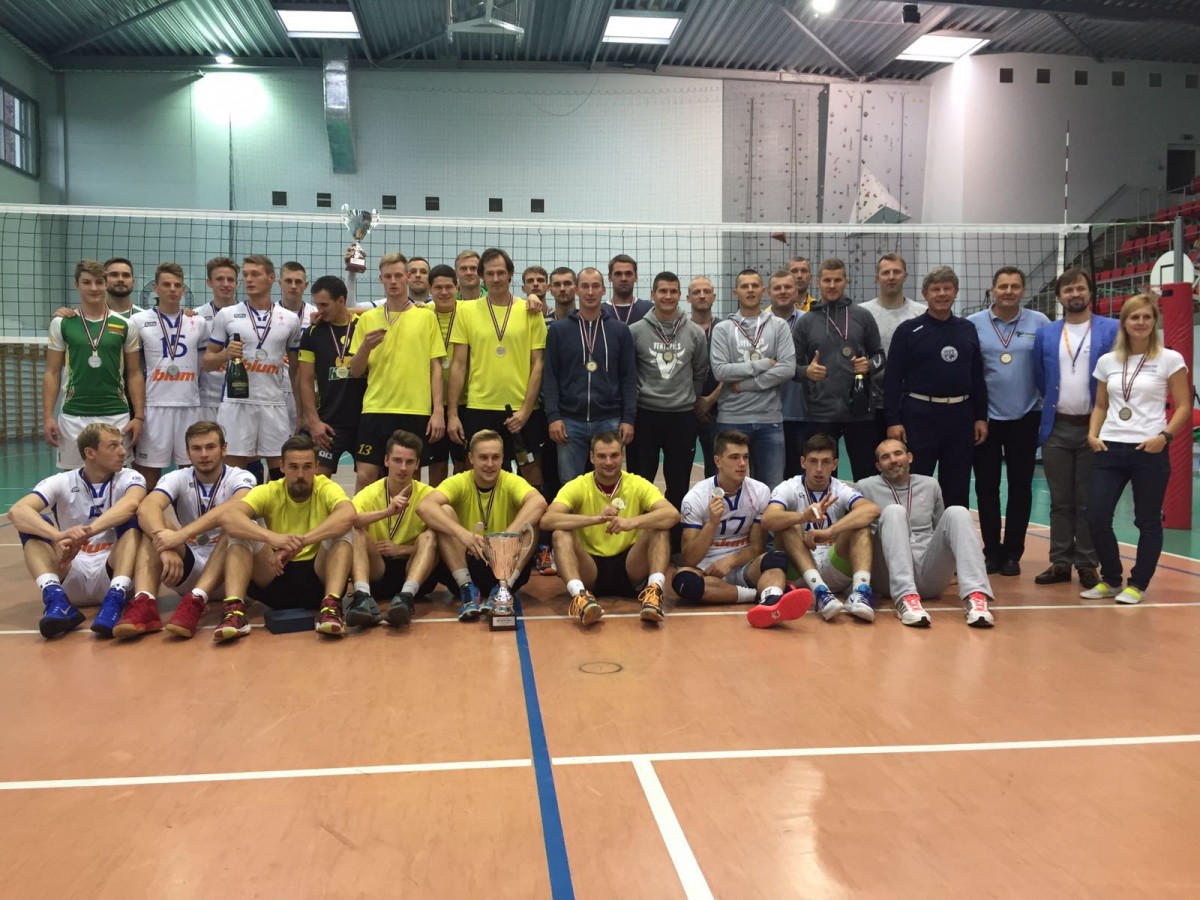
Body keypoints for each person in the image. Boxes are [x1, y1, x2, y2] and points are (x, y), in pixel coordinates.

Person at [1084, 294, 1191, 604]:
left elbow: (1184, 406)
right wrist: (1092, 434)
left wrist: (1165, 437)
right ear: (1124, 322)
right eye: (1134, 317)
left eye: (1146, 317)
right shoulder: (1108, 361)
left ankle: (1138, 584)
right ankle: (1111, 579)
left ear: (1154, 321)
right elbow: (1100, 405)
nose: (1140, 322)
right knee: (1096, 517)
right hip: (1109, 447)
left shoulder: (1170, 359)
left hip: (1149, 449)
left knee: (1147, 520)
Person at [114, 421, 257, 639]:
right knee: (155, 526)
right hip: (188, 568)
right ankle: (144, 602)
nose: (204, 454)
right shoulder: (178, 477)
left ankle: (198, 600)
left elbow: (234, 507)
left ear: (224, 449)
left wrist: (181, 535)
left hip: (231, 571)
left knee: (235, 525)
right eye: (196, 448)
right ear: (188, 453)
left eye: (210, 447)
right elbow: (147, 507)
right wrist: (163, 545)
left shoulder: (240, 477)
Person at [8, 423, 146, 638]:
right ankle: (55, 598)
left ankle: (115, 598)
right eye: (113, 446)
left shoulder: (130, 477)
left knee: (134, 518)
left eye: (121, 445)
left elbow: (131, 504)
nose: (122, 452)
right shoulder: (61, 481)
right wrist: (57, 536)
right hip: (70, 567)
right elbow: (17, 511)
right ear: (90, 453)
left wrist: (85, 533)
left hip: (112, 568)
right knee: (34, 524)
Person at [216, 433, 356, 641]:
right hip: (275, 573)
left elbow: (348, 514)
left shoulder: (325, 487)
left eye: (307, 467)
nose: (300, 474)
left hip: (316, 579)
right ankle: (234, 612)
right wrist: (272, 538)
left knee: (343, 529)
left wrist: (300, 542)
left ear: (317, 467)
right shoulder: (270, 490)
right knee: (240, 532)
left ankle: (331, 608)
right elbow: (229, 518)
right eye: (293, 467)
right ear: (281, 466)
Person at [1031, 268, 1119, 588]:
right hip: (1057, 427)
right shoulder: (1046, 334)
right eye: (1068, 290)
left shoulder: (1112, 329)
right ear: (1059, 297)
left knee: (1087, 501)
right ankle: (1059, 562)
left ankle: (1086, 563)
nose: (1075, 294)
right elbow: (1039, 377)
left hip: (1095, 428)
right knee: (1060, 500)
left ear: (1090, 292)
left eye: (1080, 288)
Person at [673, 430, 811, 628]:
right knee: (684, 581)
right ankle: (762, 596)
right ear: (718, 461)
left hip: (744, 567)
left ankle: (770, 602)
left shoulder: (759, 491)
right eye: (734, 457)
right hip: (707, 572)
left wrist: (730, 561)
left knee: (776, 558)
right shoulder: (695, 497)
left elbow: (757, 547)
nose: (742, 463)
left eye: (745, 457)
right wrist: (712, 524)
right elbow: (689, 558)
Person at [854, 439, 996, 628]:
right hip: (887, 576)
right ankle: (905, 599)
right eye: (885, 457)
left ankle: (976, 597)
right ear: (878, 466)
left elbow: (942, 531)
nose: (893, 460)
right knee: (894, 511)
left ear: (909, 457)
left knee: (958, 512)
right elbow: (857, 535)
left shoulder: (930, 485)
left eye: (898, 453)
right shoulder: (865, 487)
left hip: (929, 574)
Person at [542, 431, 678, 626]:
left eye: (614, 455)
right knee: (560, 533)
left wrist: (631, 522)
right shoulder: (578, 485)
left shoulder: (637, 483)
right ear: (591, 457)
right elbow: (547, 520)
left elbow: (672, 514)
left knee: (659, 527)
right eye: (602, 456)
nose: (608, 462)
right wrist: (596, 519)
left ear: (622, 456)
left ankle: (654, 594)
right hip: (590, 567)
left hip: (630, 565)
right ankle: (580, 597)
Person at [967, 267, 1049, 576]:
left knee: (1020, 488)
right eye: (1003, 286)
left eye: (1015, 286)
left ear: (1023, 290)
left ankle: (1013, 553)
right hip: (986, 419)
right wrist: (976, 414)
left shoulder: (1039, 322)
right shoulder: (974, 323)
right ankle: (991, 551)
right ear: (993, 289)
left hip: (1026, 416)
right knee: (987, 488)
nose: (1009, 291)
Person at [884, 266, 987, 509]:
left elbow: (977, 376)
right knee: (917, 482)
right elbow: (892, 378)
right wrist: (893, 420)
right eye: (935, 289)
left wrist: (981, 417)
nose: (942, 294)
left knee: (957, 485)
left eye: (947, 288)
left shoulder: (967, 329)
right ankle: (915, 531)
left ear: (955, 292)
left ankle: (953, 532)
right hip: (920, 415)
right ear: (925, 294)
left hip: (960, 416)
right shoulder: (908, 330)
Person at [417, 430, 547, 621]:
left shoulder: (510, 481)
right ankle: (467, 590)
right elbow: (424, 507)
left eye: (495, 457)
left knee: (532, 522)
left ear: (502, 458)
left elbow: (539, 502)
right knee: (443, 512)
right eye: (483, 457)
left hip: (505, 565)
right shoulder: (459, 481)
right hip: (466, 562)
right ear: (471, 458)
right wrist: (463, 534)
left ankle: (503, 589)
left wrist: (504, 539)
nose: (490, 464)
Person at [348, 251, 446, 493]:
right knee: (366, 476)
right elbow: (355, 371)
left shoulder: (426, 317)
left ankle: (407, 519)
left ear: (408, 278)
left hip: (415, 410)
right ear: (381, 279)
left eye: (398, 276)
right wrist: (365, 347)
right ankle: (363, 519)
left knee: (410, 478)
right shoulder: (367, 319)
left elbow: (435, 368)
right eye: (388, 276)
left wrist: (438, 411)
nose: (393, 281)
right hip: (376, 408)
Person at [447, 248, 548, 477]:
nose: (496, 278)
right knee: (481, 475)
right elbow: (458, 365)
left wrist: (525, 411)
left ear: (510, 274)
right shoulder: (466, 311)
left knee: (532, 474)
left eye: (501, 272)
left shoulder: (531, 310)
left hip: (522, 410)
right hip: (480, 408)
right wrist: (452, 414)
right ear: (482, 276)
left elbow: (538, 365)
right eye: (490, 273)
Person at [628, 272, 710, 549]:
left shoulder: (695, 332)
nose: (668, 296)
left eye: (673, 291)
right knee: (640, 483)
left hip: (681, 417)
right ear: (653, 294)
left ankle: (673, 544)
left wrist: (688, 397)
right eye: (662, 291)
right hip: (646, 415)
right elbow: (630, 373)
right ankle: (638, 543)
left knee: (678, 484)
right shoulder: (636, 331)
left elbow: (700, 371)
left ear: (679, 295)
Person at [761, 433, 880, 622]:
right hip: (799, 569)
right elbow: (768, 519)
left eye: (825, 462)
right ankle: (820, 592)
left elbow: (872, 509)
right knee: (788, 525)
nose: (819, 469)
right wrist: (802, 516)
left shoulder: (840, 488)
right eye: (813, 461)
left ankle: (860, 592)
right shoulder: (789, 487)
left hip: (833, 565)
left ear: (834, 464)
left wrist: (830, 531)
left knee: (860, 525)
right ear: (803, 462)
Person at [204, 255, 304, 475]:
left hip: (273, 403)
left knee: (280, 474)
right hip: (237, 404)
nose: (249, 279)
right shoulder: (227, 315)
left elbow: (296, 371)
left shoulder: (290, 319)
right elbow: (207, 363)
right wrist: (225, 354)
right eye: (246, 274)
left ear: (271, 278)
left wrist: (300, 412)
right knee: (234, 474)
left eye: (255, 274)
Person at [43, 259, 145, 470]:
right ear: (76, 284)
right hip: (73, 412)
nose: (94, 288)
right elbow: (52, 372)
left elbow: (134, 373)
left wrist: (139, 417)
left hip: (115, 412)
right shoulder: (62, 323)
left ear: (106, 284)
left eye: (99, 282)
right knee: (73, 477)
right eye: (87, 282)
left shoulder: (126, 325)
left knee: (116, 475)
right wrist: (47, 417)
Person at [792, 258, 885, 481]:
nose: (832, 285)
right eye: (827, 280)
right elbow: (790, 366)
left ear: (846, 281)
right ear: (818, 282)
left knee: (866, 479)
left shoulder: (862, 316)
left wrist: (869, 365)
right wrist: (806, 372)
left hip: (860, 412)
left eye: (837, 280)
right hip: (820, 414)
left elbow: (880, 356)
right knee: (820, 478)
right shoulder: (806, 322)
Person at [543, 267, 637, 482]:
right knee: (570, 485)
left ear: (604, 290)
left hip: (609, 420)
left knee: (609, 481)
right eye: (585, 286)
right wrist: (554, 417)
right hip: (569, 422)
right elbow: (550, 377)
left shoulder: (620, 330)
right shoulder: (559, 330)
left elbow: (629, 378)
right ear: (576, 290)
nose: (590, 292)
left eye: (595, 286)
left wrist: (628, 418)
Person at [347, 429, 445, 627]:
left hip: (413, 570)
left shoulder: (428, 494)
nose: (403, 468)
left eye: (409, 462)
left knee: (431, 535)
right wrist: (387, 512)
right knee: (356, 532)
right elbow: (349, 520)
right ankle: (362, 597)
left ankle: (406, 598)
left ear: (417, 464)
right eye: (397, 460)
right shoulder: (370, 492)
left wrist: (402, 549)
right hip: (378, 570)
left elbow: (444, 541)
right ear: (386, 461)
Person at [711, 269, 796, 488]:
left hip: (769, 421)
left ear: (763, 291)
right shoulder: (723, 329)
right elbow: (720, 371)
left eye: (754, 285)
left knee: (772, 489)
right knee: (728, 488)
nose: (750, 290)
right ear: (735, 292)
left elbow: (787, 369)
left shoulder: (779, 326)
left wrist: (746, 384)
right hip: (731, 419)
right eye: (744, 286)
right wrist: (764, 364)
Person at [131, 262, 211, 489]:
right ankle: (147, 512)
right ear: (155, 288)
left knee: (190, 472)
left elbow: (203, 363)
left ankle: (190, 512)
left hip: (189, 405)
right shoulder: (138, 321)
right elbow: (134, 368)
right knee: (148, 473)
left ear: (183, 289)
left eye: (177, 285)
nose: (172, 289)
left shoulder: (198, 322)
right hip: (155, 406)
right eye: (166, 285)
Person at [297, 275, 366, 478]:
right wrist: (314, 422)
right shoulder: (312, 333)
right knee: (318, 479)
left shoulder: (364, 325)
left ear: (341, 301)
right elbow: (305, 381)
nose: (319, 310)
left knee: (368, 477)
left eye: (324, 305)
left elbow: (385, 310)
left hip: (364, 420)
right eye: (317, 305)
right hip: (328, 422)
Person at [860, 254, 926, 443]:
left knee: (907, 457)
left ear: (905, 275)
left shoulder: (921, 313)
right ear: (877, 277)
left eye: (896, 272)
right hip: (870, 405)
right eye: (885, 272)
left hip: (910, 402)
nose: (891, 277)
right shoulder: (862, 313)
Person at [426, 265, 467, 487]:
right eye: (438, 287)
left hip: (464, 402)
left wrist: (532, 297)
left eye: (449, 287)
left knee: (464, 464)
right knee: (437, 464)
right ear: (429, 289)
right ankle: (436, 506)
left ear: (457, 288)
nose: (443, 292)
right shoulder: (422, 313)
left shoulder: (469, 311)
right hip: (431, 404)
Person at [768, 269, 808, 479]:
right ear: (769, 292)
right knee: (768, 479)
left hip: (802, 412)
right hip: (767, 413)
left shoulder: (810, 321)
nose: (783, 291)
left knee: (799, 478)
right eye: (777, 288)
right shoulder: (759, 324)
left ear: (796, 291)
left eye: (788, 287)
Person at [195, 256, 239, 423]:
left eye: (230, 280)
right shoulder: (195, 316)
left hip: (239, 397)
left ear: (237, 283)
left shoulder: (248, 315)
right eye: (220, 279)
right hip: (207, 400)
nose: (226, 284)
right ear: (209, 282)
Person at [687, 275, 722, 478]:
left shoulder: (726, 328)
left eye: (706, 291)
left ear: (714, 297)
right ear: (688, 298)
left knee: (716, 471)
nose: (702, 296)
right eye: (696, 292)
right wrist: (695, 402)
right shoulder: (680, 329)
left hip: (719, 410)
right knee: (680, 469)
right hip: (686, 410)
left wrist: (710, 400)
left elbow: (734, 369)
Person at [278, 261, 318, 435]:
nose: (293, 286)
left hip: (309, 389)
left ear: (306, 285)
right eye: (288, 281)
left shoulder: (316, 314)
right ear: (279, 283)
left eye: (298, 282)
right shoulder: (271, 314)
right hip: (278, 389)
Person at [605, 254, 652, 325]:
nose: (623, 279)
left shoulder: (649, 309)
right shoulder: (600, 311)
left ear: (636, 277)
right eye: (618, 274)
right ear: (609, 277)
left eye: (628, 274)